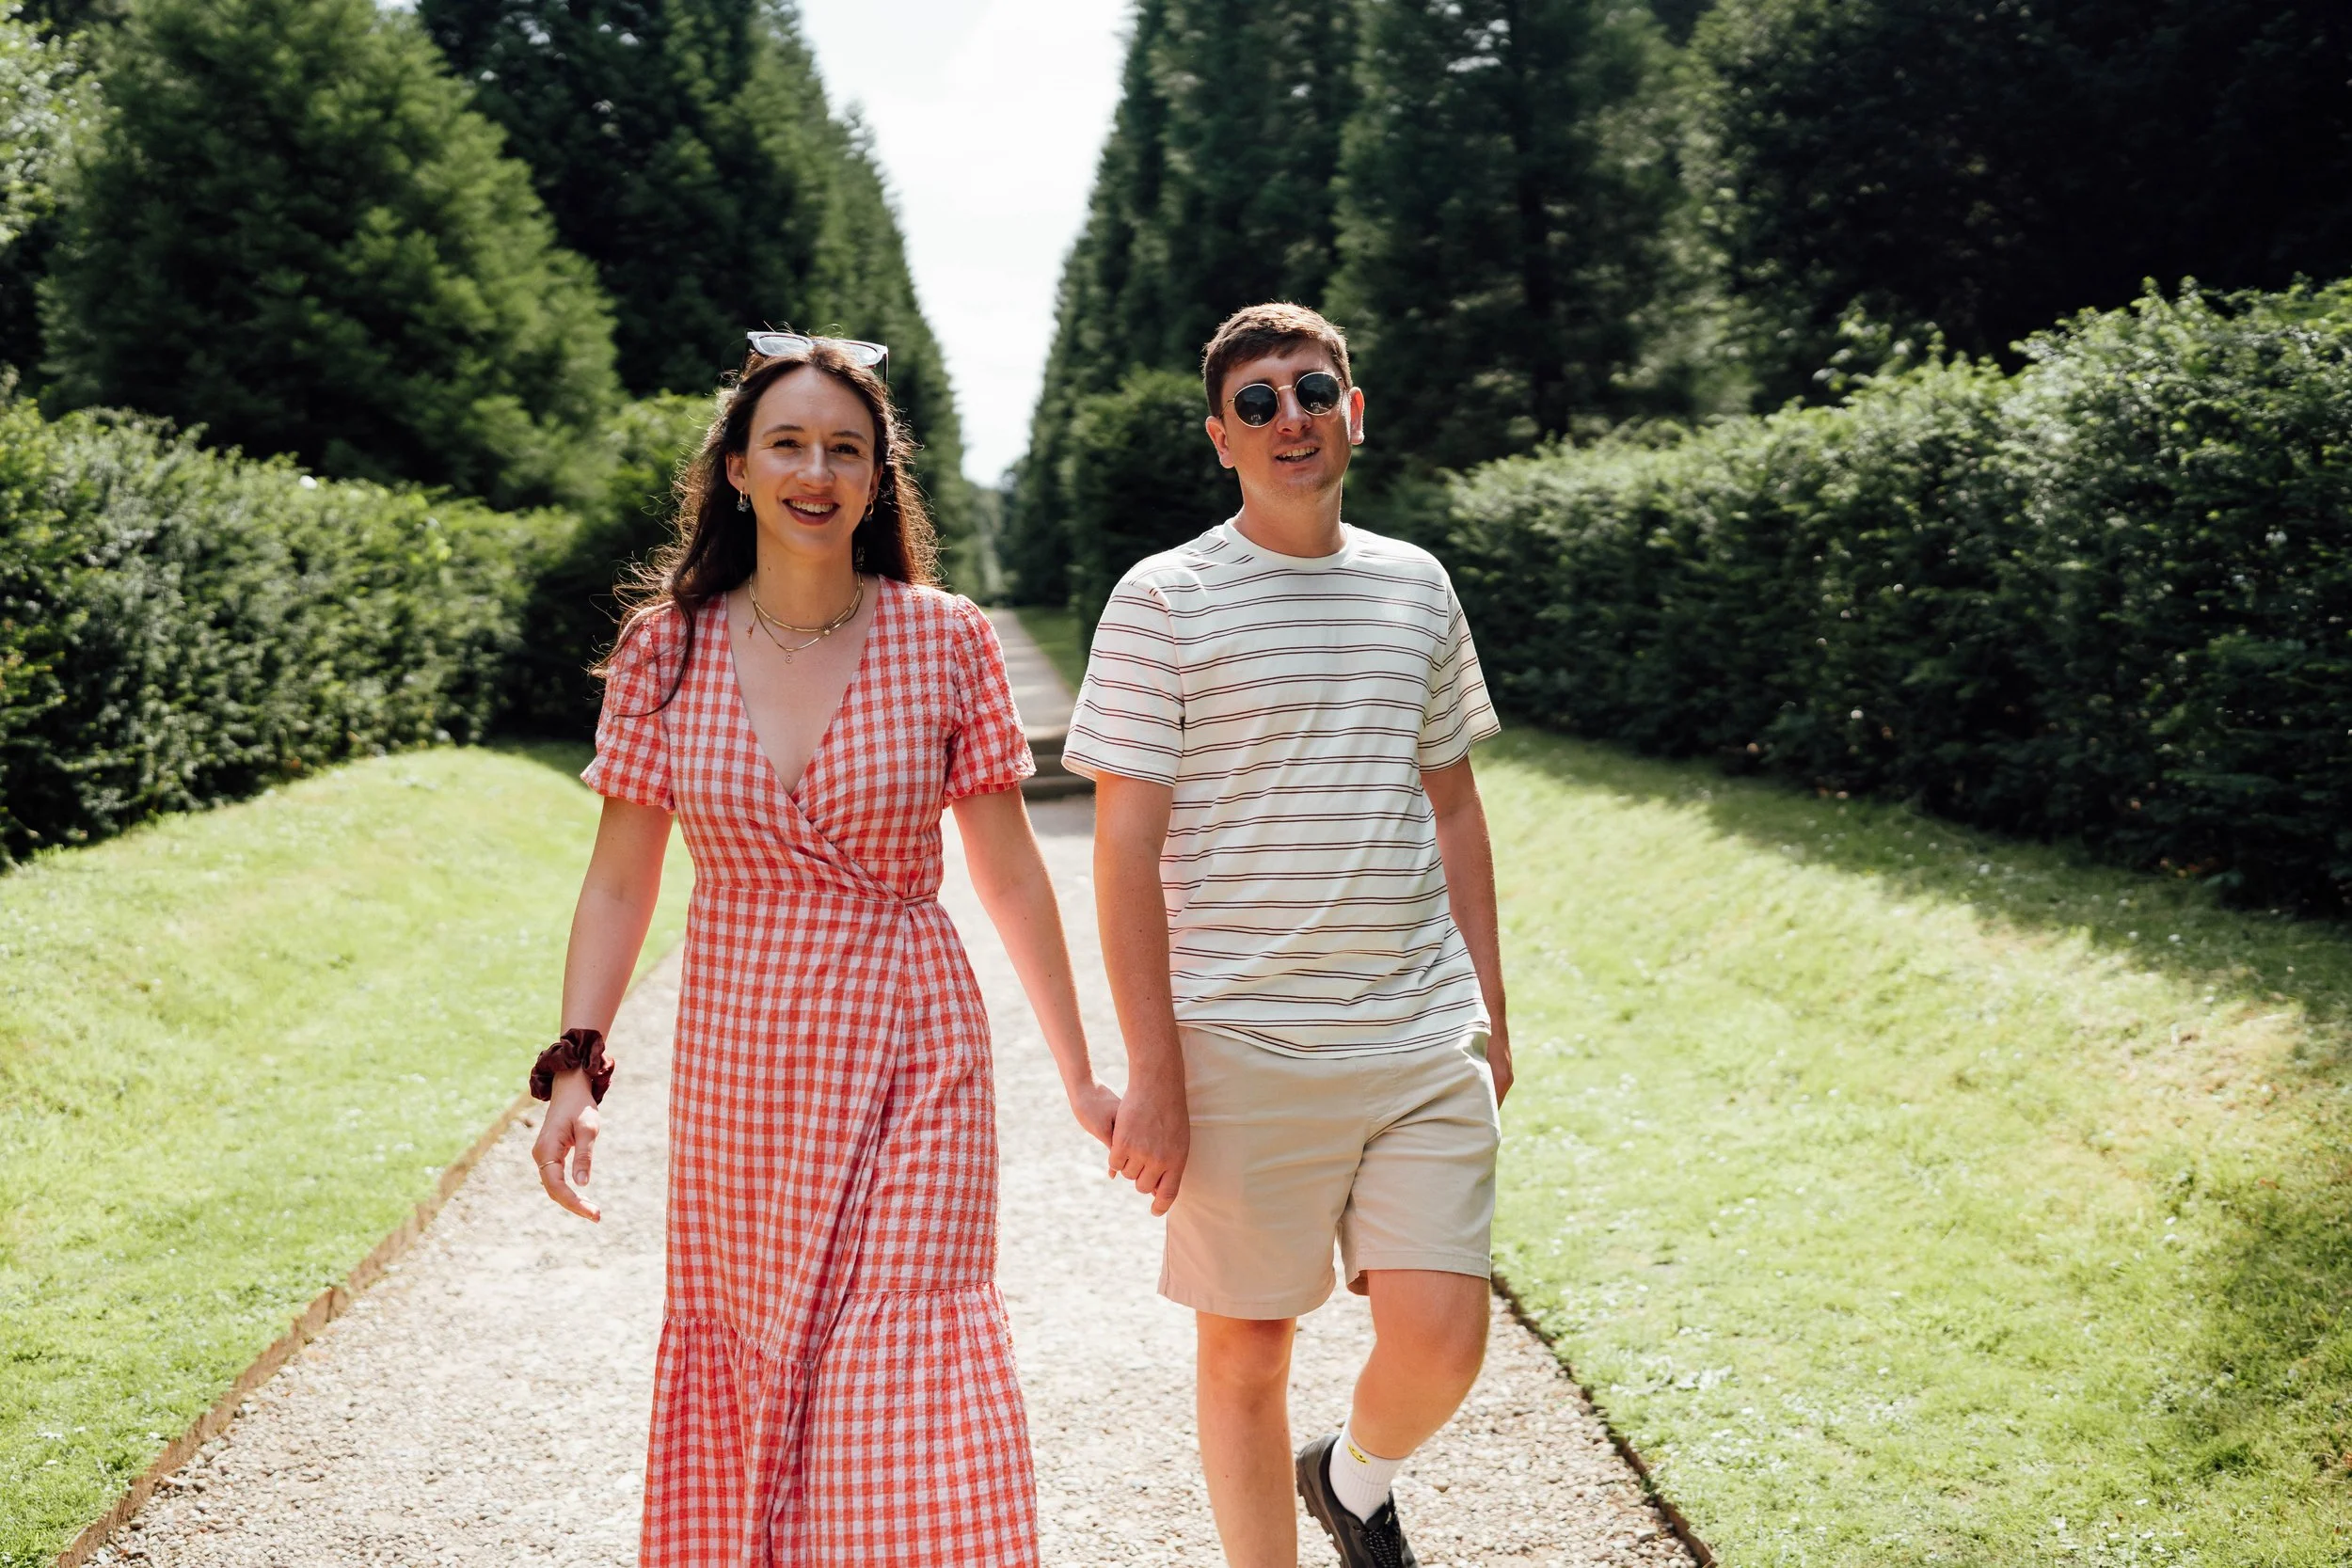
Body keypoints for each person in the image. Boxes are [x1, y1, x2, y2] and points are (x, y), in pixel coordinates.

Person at [529, 332, 1118, 1566]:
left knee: (896, 1359)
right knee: (762, 1364)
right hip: (744, 1062)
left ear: (876, 476)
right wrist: (576, 1064)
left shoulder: (944, 637)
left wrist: (1077, 1070)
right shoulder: (666, 647)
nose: (816, 468)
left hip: (916, 1047)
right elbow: (622, 876)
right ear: (736, 468)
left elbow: (1007, 872)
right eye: (787, 443)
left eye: (845, 447)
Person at [1063, 302, 1509, 1568]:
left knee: (1442, 1334)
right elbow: (1123, 851)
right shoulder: (1164, 599)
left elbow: (1458, 807)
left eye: (1311, 391)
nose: (1290, 418)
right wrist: (1153, 1069)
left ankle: (1353, 1477)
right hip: (1240, 1035)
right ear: (1222, 438)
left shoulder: (1416, 584)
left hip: (1418, 1030)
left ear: (1352, 411)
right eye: (1256, 403)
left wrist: (1492, 1004)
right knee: (1248, 1348)